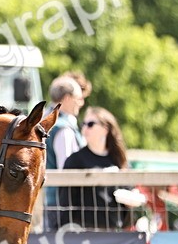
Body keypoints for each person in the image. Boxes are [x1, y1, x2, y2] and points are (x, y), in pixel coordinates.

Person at [62, 107, 144, 230]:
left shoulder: (118, 159)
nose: (85, 128)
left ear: (105, 129)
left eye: (90, 124)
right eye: (83, 124)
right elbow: (65, 203)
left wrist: (132, 198)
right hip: (84, 233)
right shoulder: (75, 160)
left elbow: (131, 191)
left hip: (115, 231)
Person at [42, 74, 87, 231]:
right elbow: (67, 169)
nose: (81, 103)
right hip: (62, 204)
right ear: (67, 98)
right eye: (78, 98)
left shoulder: (44, 121)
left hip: (48, 200)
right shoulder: (64, 129)